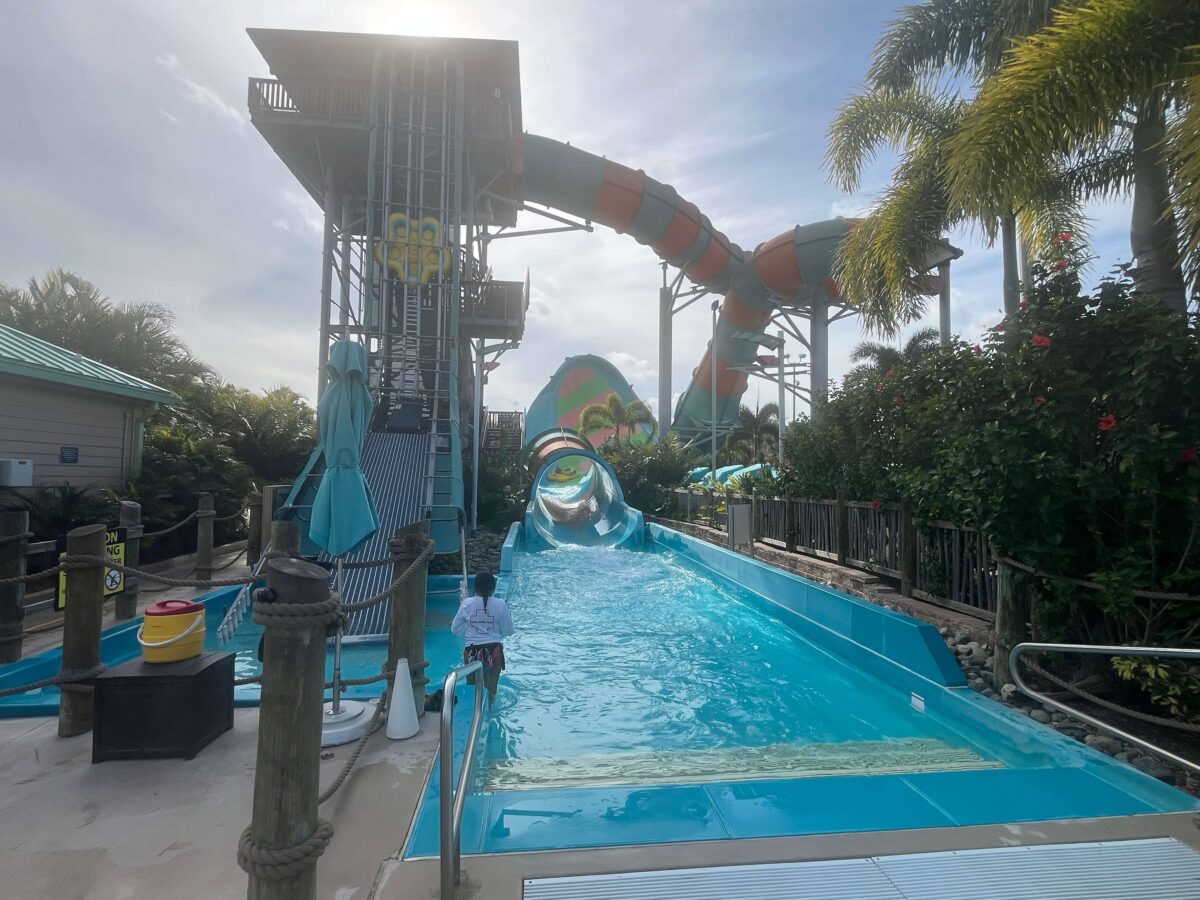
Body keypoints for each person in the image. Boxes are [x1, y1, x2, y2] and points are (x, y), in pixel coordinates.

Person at [451, 571, 513, 702]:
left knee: (471, 692)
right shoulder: (501, 604)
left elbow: (455, 630)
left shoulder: (466, 604)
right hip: (494, 651)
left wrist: (470, 627)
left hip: (471, 651)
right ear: (494, 587)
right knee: (492, 692)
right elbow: (508, 631)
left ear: (476, 587)